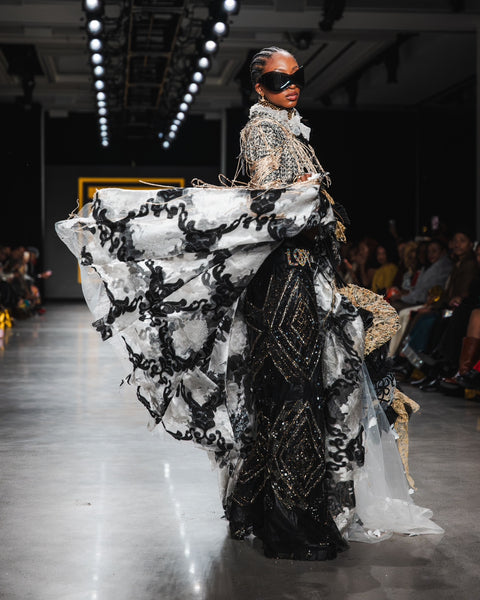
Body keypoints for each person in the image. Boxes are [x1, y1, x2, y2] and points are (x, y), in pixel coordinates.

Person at [56, 46, 442, 562]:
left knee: (291, 387)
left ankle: (271, 510)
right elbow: (266, 200)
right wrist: (304, 194)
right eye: (279, 79)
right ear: (259, 88)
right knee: (293, 389)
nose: (292, 84)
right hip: (284, 281)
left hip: (299, 277)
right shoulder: (262, 130)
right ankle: (291, 521)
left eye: (298, 76)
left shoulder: (287, 129)